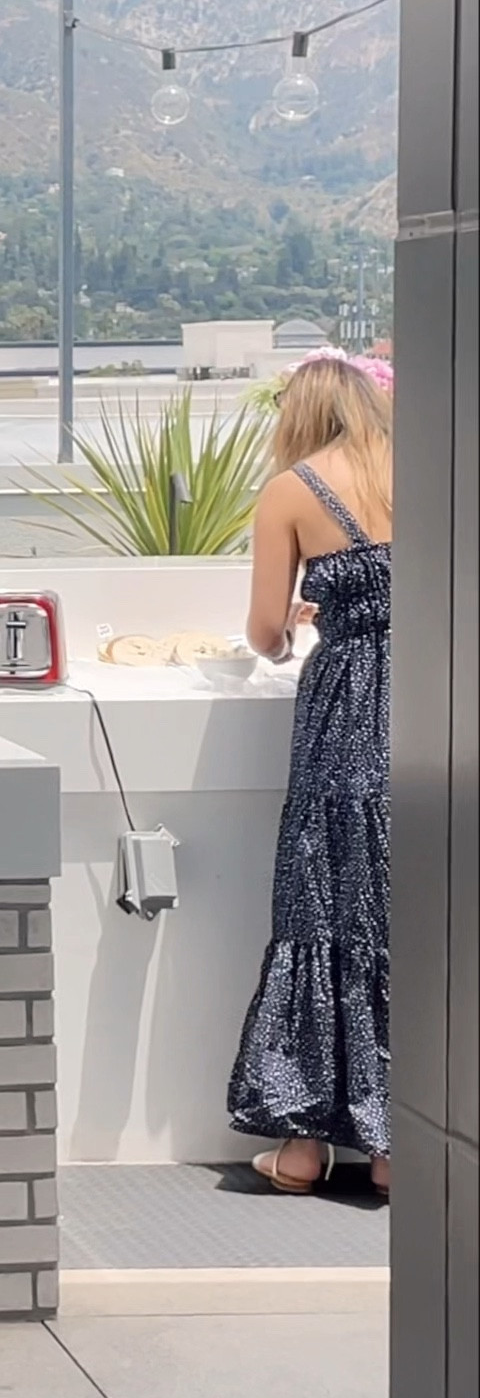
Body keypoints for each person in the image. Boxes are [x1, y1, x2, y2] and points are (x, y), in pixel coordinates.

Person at [228, 353, 393, 1193]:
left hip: (344, 710)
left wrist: (291, 629)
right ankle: (403, 1147)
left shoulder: (291, 490)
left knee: (321, 900)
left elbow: (263, 631)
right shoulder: (426, 470)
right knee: (409, 913)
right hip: (431, 700)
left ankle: (301, 1147)